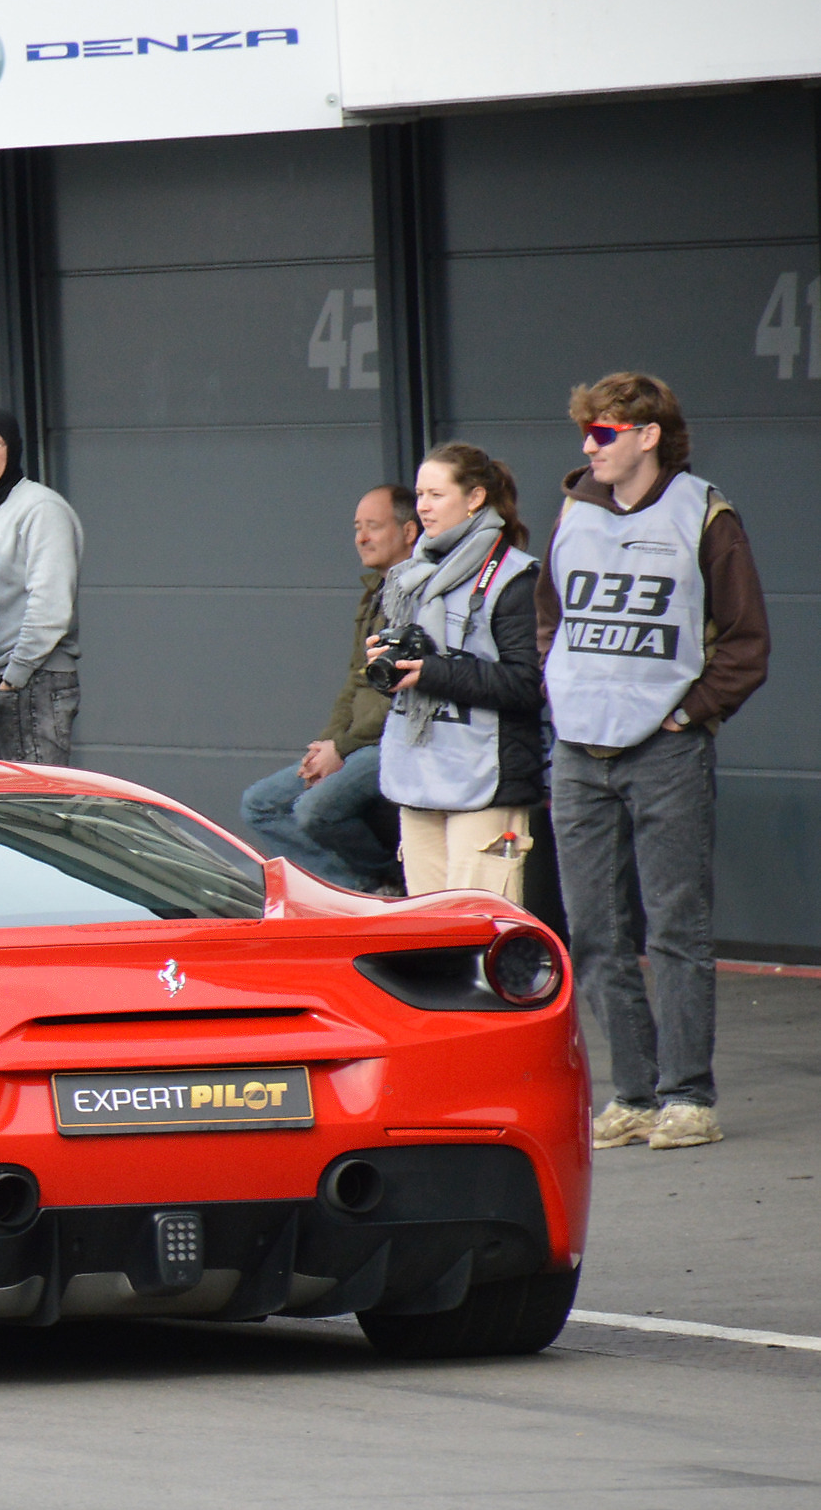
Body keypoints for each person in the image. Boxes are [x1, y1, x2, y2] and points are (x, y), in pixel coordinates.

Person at [540, 372, 771, 1153]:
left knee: (676, 926)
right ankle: (634, 1095)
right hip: (578, 751)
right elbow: (549, 619)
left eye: (604, 432)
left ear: (648, 435)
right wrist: (561, 689)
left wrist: (689, 714)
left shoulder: (704, 514)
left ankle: (688, 1097)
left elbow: (745, 640)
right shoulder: (574, 511)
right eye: (587, 431)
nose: (589, 446)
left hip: (665, 750)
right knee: (594, 931)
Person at [370, 445, 546, 903]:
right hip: (418, 776)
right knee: (427, 930)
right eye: (419, 495)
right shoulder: (412, 575)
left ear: (475, 498)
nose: (423, 507)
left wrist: (432, 672)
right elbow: (413, 679)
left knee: (478, 926)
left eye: (436, 494)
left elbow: (529, 684)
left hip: (484, 781)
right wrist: (392, 664)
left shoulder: (515, 578)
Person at [240, 486, 418, 892]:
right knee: (259, 805)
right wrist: (327, 745)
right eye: (357, 528)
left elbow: (399, 698)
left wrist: (343, 748)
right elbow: (356, 681)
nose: (361, 538)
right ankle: (360, 889)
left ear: (409, 532)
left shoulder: (417, 596)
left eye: (373, 526)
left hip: (394, 741)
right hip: (356, 743)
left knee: (313, 810)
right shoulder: (375, 593)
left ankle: (389, 883)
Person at [0, 405, 82, 765]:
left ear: (12, 449)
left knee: (35, 798)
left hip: (32, 682)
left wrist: (13, 680)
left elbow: (50, 604)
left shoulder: (41, 509)